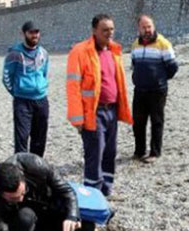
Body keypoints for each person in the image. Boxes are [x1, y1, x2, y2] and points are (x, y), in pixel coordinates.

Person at [66, 14, 132, 196]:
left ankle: (106, 188)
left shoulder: (114, 51)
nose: (109, 33)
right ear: (94, 31)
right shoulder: (80, 52)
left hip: (112, 110)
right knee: (95, 154)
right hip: (92, 113)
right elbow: (73, 87)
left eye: (111, 29)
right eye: (105, 30)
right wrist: (77, 119)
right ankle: (92, 194)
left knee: (110, 152)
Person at [131, 14, 179, 163]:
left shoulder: (163, 43)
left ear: (154, 27)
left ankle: (154, 152)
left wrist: (160, 80)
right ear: (139, 28)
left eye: (149, 26)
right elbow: (134, 64)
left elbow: (173, 66)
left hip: (157, 90)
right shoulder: (135, 45)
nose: (147, 30)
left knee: (156, 121)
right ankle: (139, 151)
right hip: (139, 90)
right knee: (138, 122)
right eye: (144, 27)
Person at [2, 21, 50, 157]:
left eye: (36, 32)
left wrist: (40, 88)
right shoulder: (14, 54)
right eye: (31, 32)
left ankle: (37, 170)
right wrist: (17, 92)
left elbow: (44, 74)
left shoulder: (43, 53)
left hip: (41, 100)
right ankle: (21, 171)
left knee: (40, 139)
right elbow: (6, 78)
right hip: (22, 101)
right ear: (24, 34)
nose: (34, 35)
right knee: (22, 138)